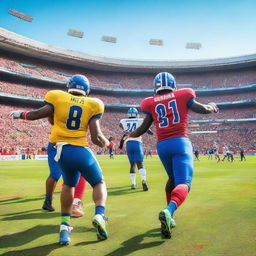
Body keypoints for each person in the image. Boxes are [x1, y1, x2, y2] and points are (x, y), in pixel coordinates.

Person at [10, 74, 110, 245]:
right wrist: (105, 143)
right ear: (86, 90)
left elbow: (36, 114)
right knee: (99, 182)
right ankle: (100, 215)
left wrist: (20, 114)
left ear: (68, 86)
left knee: (69, 185)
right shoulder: (93, 104)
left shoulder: (58, 97)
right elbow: (95, 137)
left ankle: (64, 228)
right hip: (79, 149)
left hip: (61, 152)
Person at [124, 72, 218, 238]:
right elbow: (202, 109)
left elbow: (144, 127)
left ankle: (170, 217)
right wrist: (212, 106)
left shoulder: (150, 102)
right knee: (184, 183)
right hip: (180, 142)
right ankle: (169, 210)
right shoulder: (183, 94)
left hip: (162, 146)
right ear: (173, 85)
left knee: (172, 180)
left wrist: (129, 136)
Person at [43, 126, 87, 218]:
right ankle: (49, 200)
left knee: (74, 171)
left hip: (67, 143)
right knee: (56, 174)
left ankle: (73, 204)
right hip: (60, 143)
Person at [119, 107, 153, 191]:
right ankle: (143, 180)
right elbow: (148, 131)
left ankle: (133, 183)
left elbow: (122, 129)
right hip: (137, 143)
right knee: (140, 164)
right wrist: (149, 131)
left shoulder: (123, 121)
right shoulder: (140, 120)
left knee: (132, 165)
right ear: (136, 114)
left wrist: (121, 145)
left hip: (128, 144)